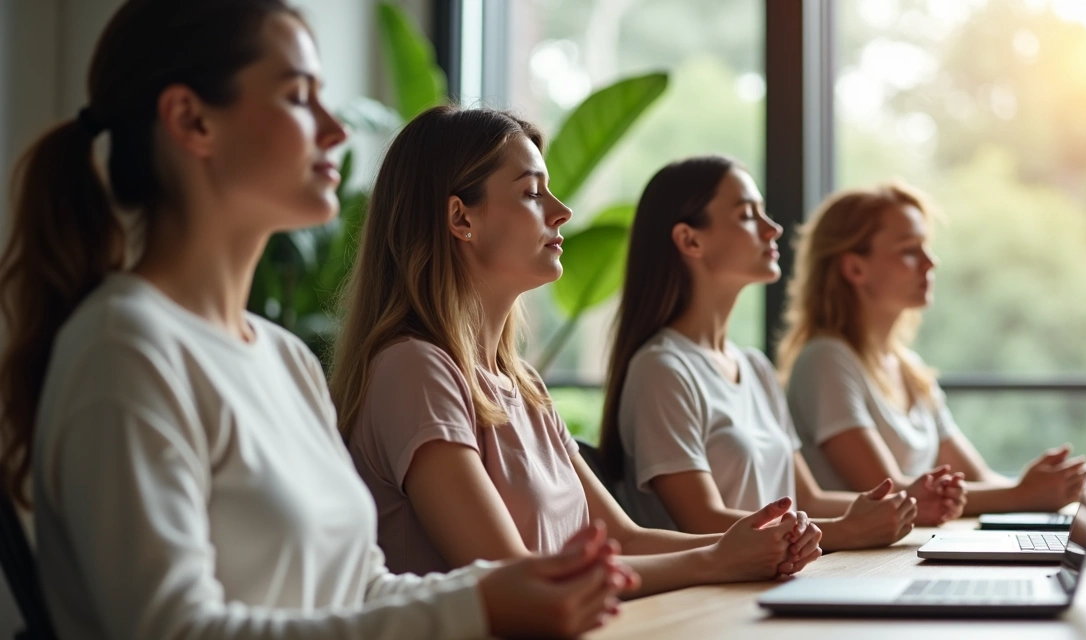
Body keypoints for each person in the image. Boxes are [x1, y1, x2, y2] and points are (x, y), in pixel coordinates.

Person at [0, 2, 634, 638]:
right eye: (299, 96)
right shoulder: (126, 350)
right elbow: (174, 630)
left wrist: (498, 587)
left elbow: (359, 587)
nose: (334, 128)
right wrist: (479, 604)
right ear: (193, 121)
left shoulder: (284, 359)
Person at [331, 107, 823, 598]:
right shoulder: (413, 369)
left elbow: (623, 539)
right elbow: (512, 577)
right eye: (530, 192)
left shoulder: (522, 383)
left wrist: (760, 543)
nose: (561, 210)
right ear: (461, 218)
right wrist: (718, 560)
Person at [598, 156, 964, 550]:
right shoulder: (662, 369)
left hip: (773, 578)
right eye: (747, 215)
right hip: (705, 597)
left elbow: (807, 499)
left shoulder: (755, 367)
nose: (772, 229)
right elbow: (702, 521)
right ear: (691, 240)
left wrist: (903, 506)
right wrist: (850, 530)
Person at [776, 182, 1086, 515]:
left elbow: (979, 477)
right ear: (855, 268)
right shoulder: (826, 360)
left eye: (926, 247)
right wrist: (1023, 495)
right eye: (909, 251)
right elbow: (891, 494)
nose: (931, 262)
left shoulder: (909, 368)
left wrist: (1055, 493)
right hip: (866, 565)